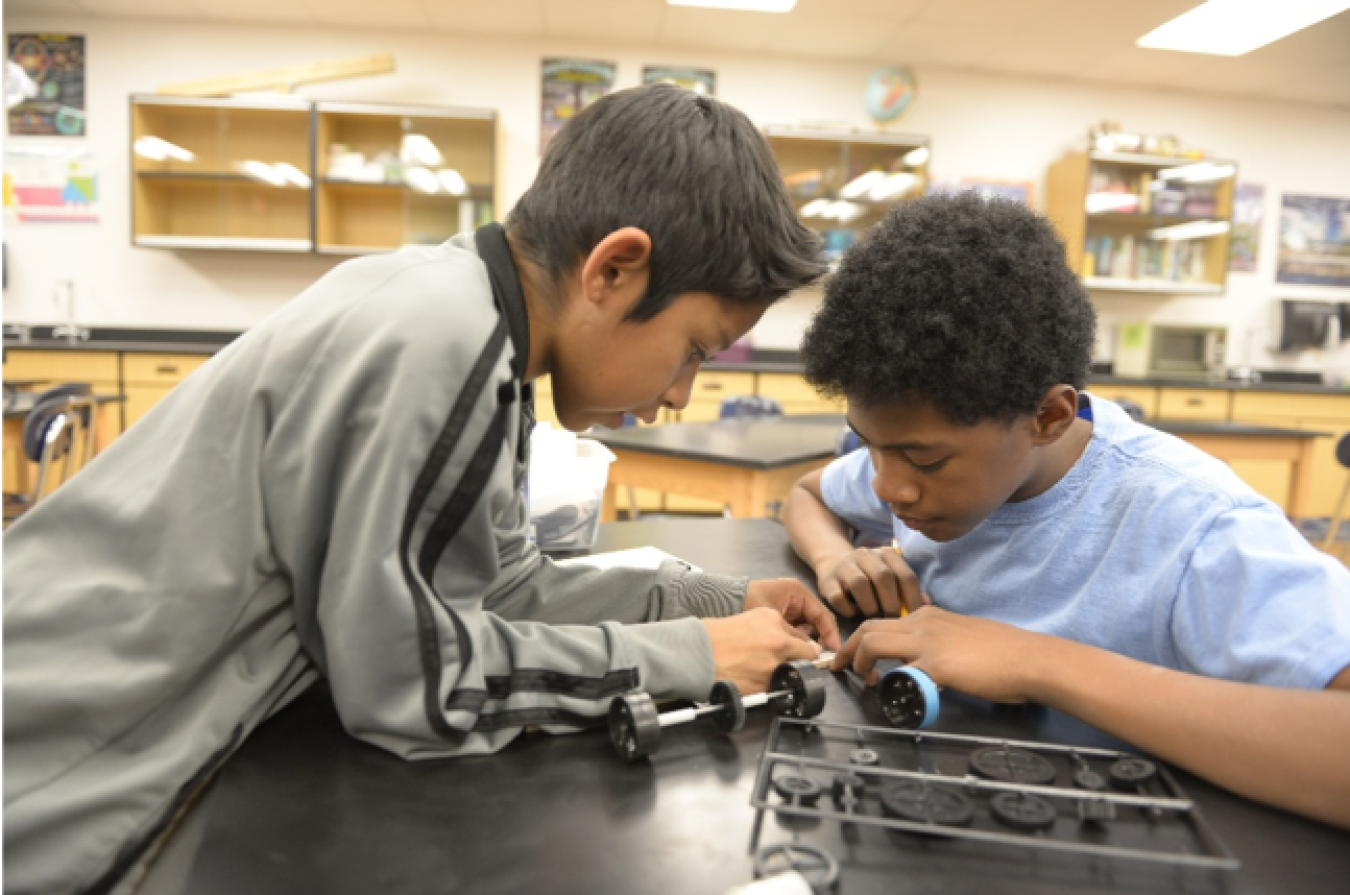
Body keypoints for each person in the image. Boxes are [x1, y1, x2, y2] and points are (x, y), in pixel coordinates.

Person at [2, 84, 839, 894]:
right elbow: (414, 686)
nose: (681, 392)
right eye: (697, 348)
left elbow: (502, 587)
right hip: (52, 770)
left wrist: (705, 601)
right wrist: (693, 657)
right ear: (614, 269)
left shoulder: (468, 313)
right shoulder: (443, 339)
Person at [782, 193, 1350, 828]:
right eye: (869, 445)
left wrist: (1038, 662)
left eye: (925, 461)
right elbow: (807, 495)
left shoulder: (1198, 525)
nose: (888, 488)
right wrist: (836, 557)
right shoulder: (921, 458)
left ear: (1048, 417)